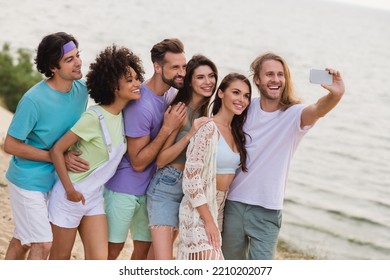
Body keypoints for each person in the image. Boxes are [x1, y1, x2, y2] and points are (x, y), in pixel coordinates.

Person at [222, 52, 345, 260]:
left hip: (267, 210)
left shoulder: (294, 114)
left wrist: (336, 95)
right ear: (258, 79)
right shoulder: (244, 107)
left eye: (281, 74)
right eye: (269, 74)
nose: (276, 79)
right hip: (233, 203)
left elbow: (318, 109)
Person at [47, 45, 144, 260]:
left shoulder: (122, 115)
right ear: (113, 86)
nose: (137, 84)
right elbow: (57, 150)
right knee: (58, 260)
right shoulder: (94, 117)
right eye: (129, 80)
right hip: (69, 197)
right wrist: (70, 190)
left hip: (94, 199)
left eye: (137, 78)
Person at [3, 32, 88, 260]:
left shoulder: (81, 92)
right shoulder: (34, 100)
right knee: (43, 243)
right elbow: (10, 145)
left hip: (55, 180)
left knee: (23, 238)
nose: (78, 62)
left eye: (77, 55)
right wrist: (57, 157)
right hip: (27, 180)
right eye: (69, 59)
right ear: (53, 67)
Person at [103, 38, 187, 260]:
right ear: (158, 67)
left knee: (141, 254)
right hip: (123, 189)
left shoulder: (167, 95)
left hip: (148, 192)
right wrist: (167, 128)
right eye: (175, 67)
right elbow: (138, 162)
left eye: (184, 66)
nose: (182, 72)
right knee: (110, 253)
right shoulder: (141, 105)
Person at [146, 54, 218, 259]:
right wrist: (190, 133)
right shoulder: (179, 110)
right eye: (200, 77)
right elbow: (161, 160)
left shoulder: (207, 111)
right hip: (166, 187)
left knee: (154, 259)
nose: (208, 81)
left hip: (189, 192)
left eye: (211, 76)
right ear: (190, 81)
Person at [177, 73, 252, 260]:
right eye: (236, 92)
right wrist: (208, 221)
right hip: (198, 210)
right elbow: (191, 179)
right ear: (220, 94)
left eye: (246, 96)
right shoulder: (208, 128)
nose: (241, 99)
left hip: (219, 209)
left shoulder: (237, 133)